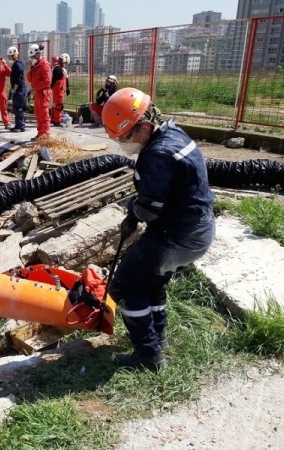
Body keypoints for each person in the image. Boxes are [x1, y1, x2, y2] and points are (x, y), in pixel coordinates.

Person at [102, 87, 215, 371]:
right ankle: (158, 339)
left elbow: (149, 208)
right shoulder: (172, 134)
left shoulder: (158, 154)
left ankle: (149, 357)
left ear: (142, 125)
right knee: (152, 280)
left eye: (126, 137)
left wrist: (132, 214)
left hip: (179, 235)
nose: (125, 143)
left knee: (127, 284)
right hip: (195, 227)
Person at [26, 43, 52, 140]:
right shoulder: (35, 66)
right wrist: (29, 69)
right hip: (37, 94)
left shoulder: (44, 65)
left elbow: (47, 81)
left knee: (44, 115)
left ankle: (45, 136)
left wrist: (35, 88)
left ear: (37, 54)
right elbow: (29, 79)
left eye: (33, 56)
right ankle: (40, 133)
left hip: (43, 93)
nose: (31, 58)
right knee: (38, 114)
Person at [7, 45, 27, 132]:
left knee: (18, 108)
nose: (9, 58)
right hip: (18, 88)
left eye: (10, 56)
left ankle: (21, 126)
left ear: (14, 55)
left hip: (19, 89)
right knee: (15, 107)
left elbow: (18, 79)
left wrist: (14, 90)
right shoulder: (16, 64)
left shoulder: (18, 64)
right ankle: (17, 125)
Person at [50, 54, 68, 127]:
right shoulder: (59, 69)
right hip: (59, 91)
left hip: (57, 90)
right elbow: (55, 80)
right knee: (59, 105)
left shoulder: (56, 69)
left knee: (56, 105)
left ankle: (54, 119)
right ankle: (57, 121)